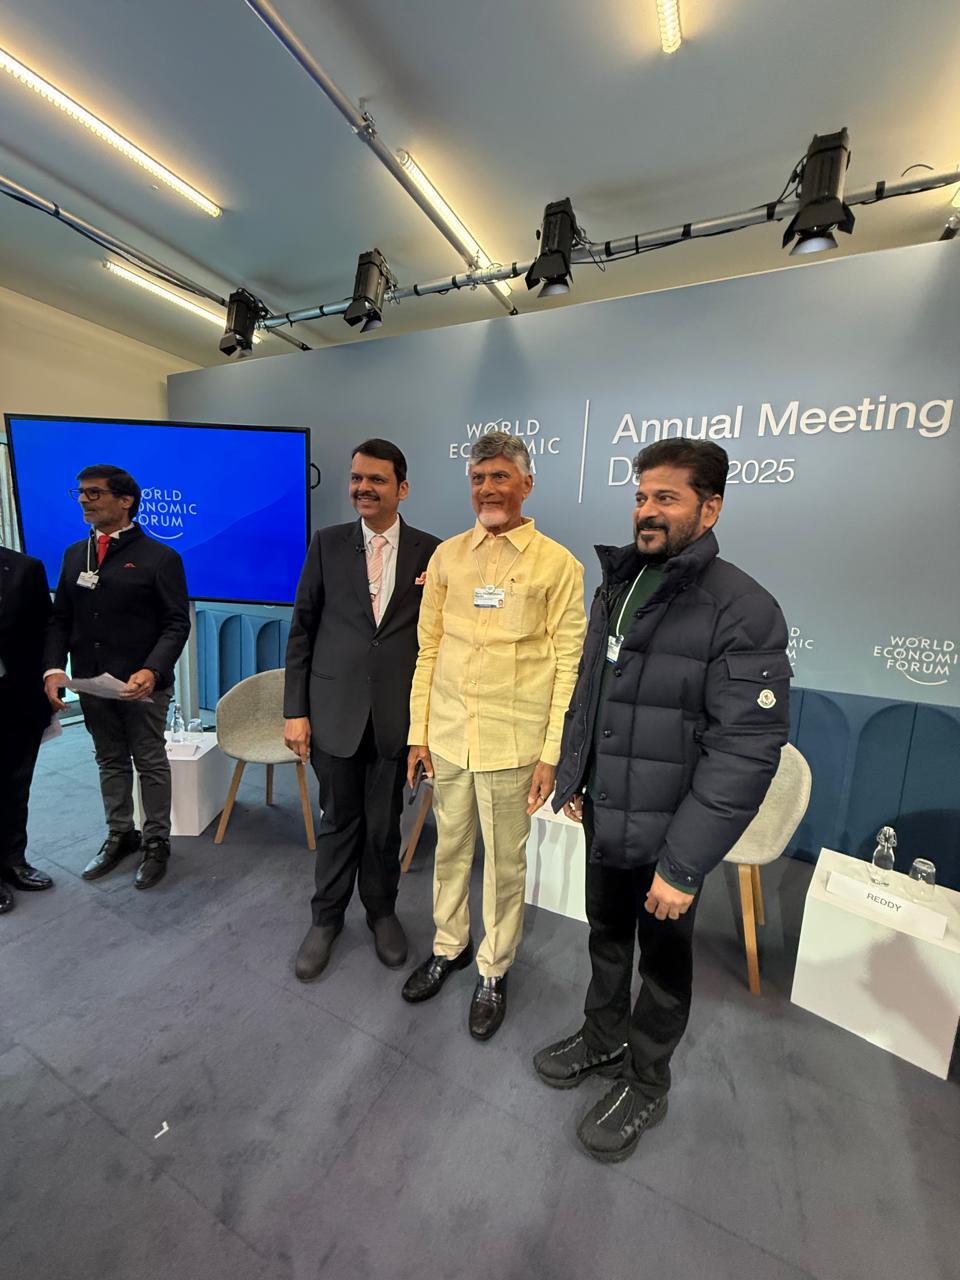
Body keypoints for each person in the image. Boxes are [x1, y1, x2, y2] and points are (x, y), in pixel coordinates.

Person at [534, 439, 791, 1162]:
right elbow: (594, 690)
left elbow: (745, 751)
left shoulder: (744, 609)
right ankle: (602, 1037)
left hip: (671, 835)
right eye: (642, 496)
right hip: (607, 809)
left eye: (667, 498)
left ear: (710, 508)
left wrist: (683, 865)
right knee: (606, 936)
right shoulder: (619, 582)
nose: (647, 511)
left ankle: (647, 1082)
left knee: (664, 966)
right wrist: (577, 778)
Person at [402, 432, 587, 1040]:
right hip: (449, 736)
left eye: (500, 476)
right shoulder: (447, 559)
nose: (488, 489)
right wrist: (419, 733)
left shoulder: (558, 566)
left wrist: (552, 755)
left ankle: (493, 968)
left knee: (506, 863)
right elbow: (428, 650)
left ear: (526, 484)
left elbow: (569, 667)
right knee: (449, 850)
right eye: (479, 478)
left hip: (514, 745)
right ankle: (450, 946)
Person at [284, 439, 440, 980]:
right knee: (338, 822)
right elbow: (302, 630)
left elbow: (436, 639)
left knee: (383, 826)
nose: (363, 488)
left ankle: (381, 912)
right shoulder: (327, 544)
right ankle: (325, 918)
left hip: (396, 718)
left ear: (402, 488)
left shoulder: (431, 551)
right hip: (334, 712)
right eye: (356, 478)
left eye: (376, 479)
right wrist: (295, 710)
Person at [43, 465, 190, 890]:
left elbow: (176, 623)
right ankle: (121, 834)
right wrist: (54, 668)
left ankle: (157, 841)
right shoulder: (75, 555)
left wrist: (152, 669)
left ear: (125, 501)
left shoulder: (160, 557)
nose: (84, 500)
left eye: (94, 493)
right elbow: (61, 618)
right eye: (80, 493)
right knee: (109, 760)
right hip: (91, 682)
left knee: (149, 761)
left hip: (142, 685)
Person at [0, 546, 55, 913]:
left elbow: (45, 632)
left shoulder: (24, 568)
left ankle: (13, 860)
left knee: (16, 783)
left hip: (16, 697)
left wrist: (51, 685)